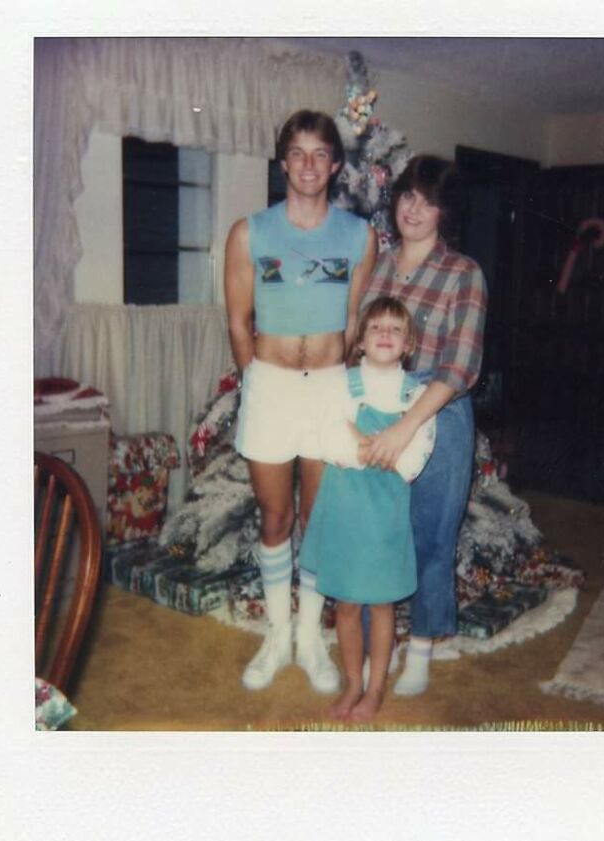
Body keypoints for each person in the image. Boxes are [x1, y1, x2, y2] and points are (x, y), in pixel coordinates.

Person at [224, 110, 378, 692]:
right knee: (276, 515)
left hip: (330, 389)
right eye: (298, 153)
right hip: (271, 384)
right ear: (283, 161)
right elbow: (239, 323)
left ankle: (311, 638)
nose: (308, 165)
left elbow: (355, 320)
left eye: (320, 154)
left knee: (317, 519)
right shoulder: (251, 232)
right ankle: (277, 635)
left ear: (335, 164)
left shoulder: (360, 236)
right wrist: (258, 382)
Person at [359, 154, 488, 696]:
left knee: (432, 538)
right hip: (377, 403)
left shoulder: (464, 273)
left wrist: (406, 427)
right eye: (409, 195)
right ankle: (377, 650)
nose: (415, 208)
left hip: (438, 411)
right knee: (376, 535)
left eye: (429, 200)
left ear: (444, 212)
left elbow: (460, 367)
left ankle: (421, 649)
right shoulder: (380, 264)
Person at [300, 297, 436, 721]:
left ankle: (375, 687)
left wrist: (361, 437)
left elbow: (412, 460)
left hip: (385, 515)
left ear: (409, 343)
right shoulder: (341, 386)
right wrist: (379, 447)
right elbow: (329, 441)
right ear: (359, 340)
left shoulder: (416, 397)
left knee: (380, 604)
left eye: (396, 330)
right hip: (343, 508)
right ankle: (353, 682)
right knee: (345, 604)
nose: (385, 336)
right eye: (376, 328)